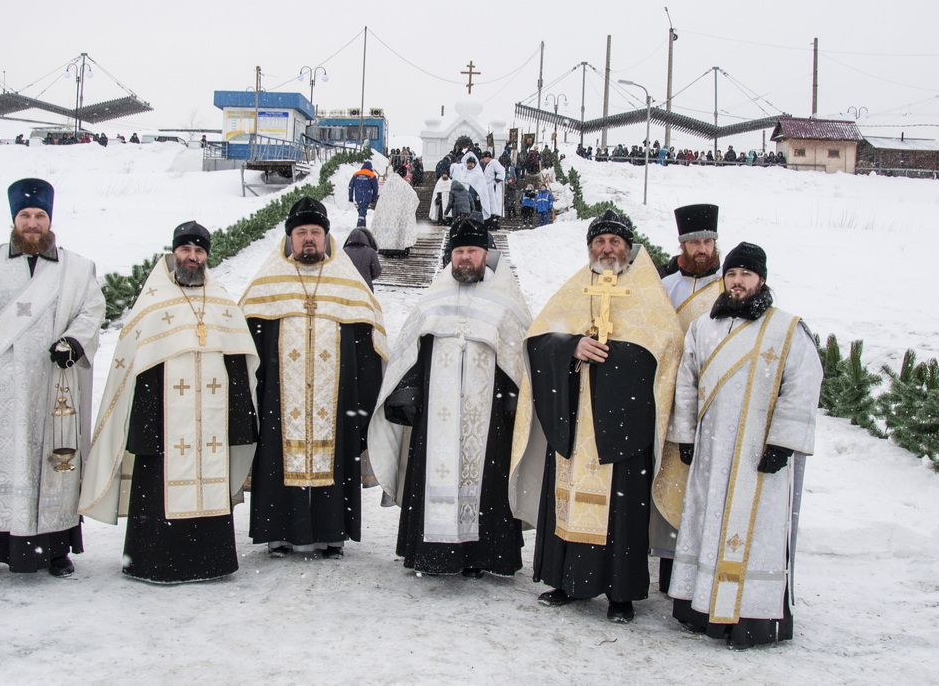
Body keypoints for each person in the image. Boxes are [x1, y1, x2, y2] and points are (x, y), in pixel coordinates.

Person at [510, 210, 683, 623]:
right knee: (567, 500)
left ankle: (620, 595)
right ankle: (564, 580)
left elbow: (668, 349)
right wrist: (571, 347)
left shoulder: (647, 292)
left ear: (628, 248)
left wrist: (615, 360)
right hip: (576, 416)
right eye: (600, 242)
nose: (607, 249)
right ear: (590, 248)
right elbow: (538, 339)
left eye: (615, 242)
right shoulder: (577, 287)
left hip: (624, 422)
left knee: (622, 512)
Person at [0, 178, 105, 582]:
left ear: (50, 220)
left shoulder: (77, 268)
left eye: (40, 216)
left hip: (52, 385)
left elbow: (92, 310)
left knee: (52, 467)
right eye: (25, 216)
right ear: (14, 219)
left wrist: (73, 342)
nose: (33, 223)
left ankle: (54, 549)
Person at [79, 222, 259, 584]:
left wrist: (241, 418)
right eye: (185, 250)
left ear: (207, 256)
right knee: (158, 488)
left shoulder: (221, 298)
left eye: (199, 251)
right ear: (174, 252)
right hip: (161, 423)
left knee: (210, 480)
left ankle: (212, 561)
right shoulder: (153, 300)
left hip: (213, 421)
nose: (192, 257)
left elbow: (238, 361)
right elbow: (134, 366)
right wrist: (145, 427)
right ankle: (154, 561)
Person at [667, 242, 822, 649]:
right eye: (732, 274)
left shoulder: (786, 328)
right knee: (706, 523)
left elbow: (803, 387)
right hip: (712, 451)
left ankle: (751, 616)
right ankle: (700, 607)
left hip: (759, 454)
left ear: (761, 280)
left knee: (756, 534)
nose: (737, 282)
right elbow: (687, 382)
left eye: (746, 275)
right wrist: (684, 434)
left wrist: (783, 443)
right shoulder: (704, 327)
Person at [369, 217, 532, 578]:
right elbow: (412, 351)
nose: (464, 258)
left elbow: (515, 356)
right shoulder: (434, 299)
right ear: (450, 257)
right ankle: (433, 553)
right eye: (459, 251)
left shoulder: (506, 302)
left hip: (487, 417)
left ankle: (481, 555)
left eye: (472, 251)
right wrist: (408, 392)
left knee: (487, 482)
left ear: (485, 255)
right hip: (436, 416)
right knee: (432, 477)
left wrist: (511, 398)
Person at [239, 197, 388, 559]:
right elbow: (247, 343)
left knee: (336, 459)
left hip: (335, 400)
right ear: (290, 238)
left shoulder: (349, 286)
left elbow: (369, 343)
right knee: (276, 456)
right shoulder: (266, 284)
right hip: (279, 396)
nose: (308, 239)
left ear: (326, 237)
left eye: (315, 232)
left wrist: (363, 398)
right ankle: (277, 532)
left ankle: (331, 532)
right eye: (301, 232)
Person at [656, 203, 724, 590]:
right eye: (694, 242)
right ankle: (668, 565)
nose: (702, 249)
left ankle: (704, 561)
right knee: (672, 480)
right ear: (681, 245)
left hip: (712, 397)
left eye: (707, 242)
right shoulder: (665, 288)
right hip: (671, 396)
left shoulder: (729, 286)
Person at [371, 166, 420, 257]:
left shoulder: (388, 183)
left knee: (388, 230)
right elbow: (414, 197)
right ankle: (399, 250)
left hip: (387, 213)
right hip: (399, 213)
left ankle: (386, 249)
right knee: (398, 230)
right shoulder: (404, 185)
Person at [450, 153, 494, 221]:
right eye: (468, 163)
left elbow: (482, 188)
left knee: (475, 216)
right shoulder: (463, 173)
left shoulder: (479, 174)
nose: (470, 165)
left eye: (471, 163)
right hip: (464, 201)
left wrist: (479, 195)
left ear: (474, 164)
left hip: (475, 199)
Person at [347, 160, 380, 227]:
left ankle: (362, 226)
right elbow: (375, 188)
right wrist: (374, 197)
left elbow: (350, 186)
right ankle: (360, 227)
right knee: (362, 212)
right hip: (367, 197)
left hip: (358, 196)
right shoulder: (371, 175)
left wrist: (350, 196)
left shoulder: (356, 174)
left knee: (361, 211)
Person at [480, 152, 507, 229]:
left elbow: (501, 172)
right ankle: (491, 222)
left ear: (488, 157)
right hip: (489, 188)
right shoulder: (488, 165)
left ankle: (494, 222)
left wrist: (494, 183)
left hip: (494, 188)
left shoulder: (495, 164)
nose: (484, 159)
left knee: (494, 204)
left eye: (484, 158)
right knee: (490, 205)